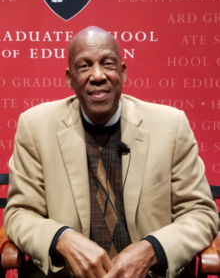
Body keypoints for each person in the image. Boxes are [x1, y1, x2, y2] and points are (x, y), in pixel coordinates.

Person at [4, 26, 218, 278]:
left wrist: (153, 249)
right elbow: (19, 213)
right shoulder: (36, 126)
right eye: (84, 66)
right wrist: (62, 239)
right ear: (69, 77)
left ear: (123, 72)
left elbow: (200, 212)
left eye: (107, 63)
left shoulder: (170, 126)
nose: (97, 75)